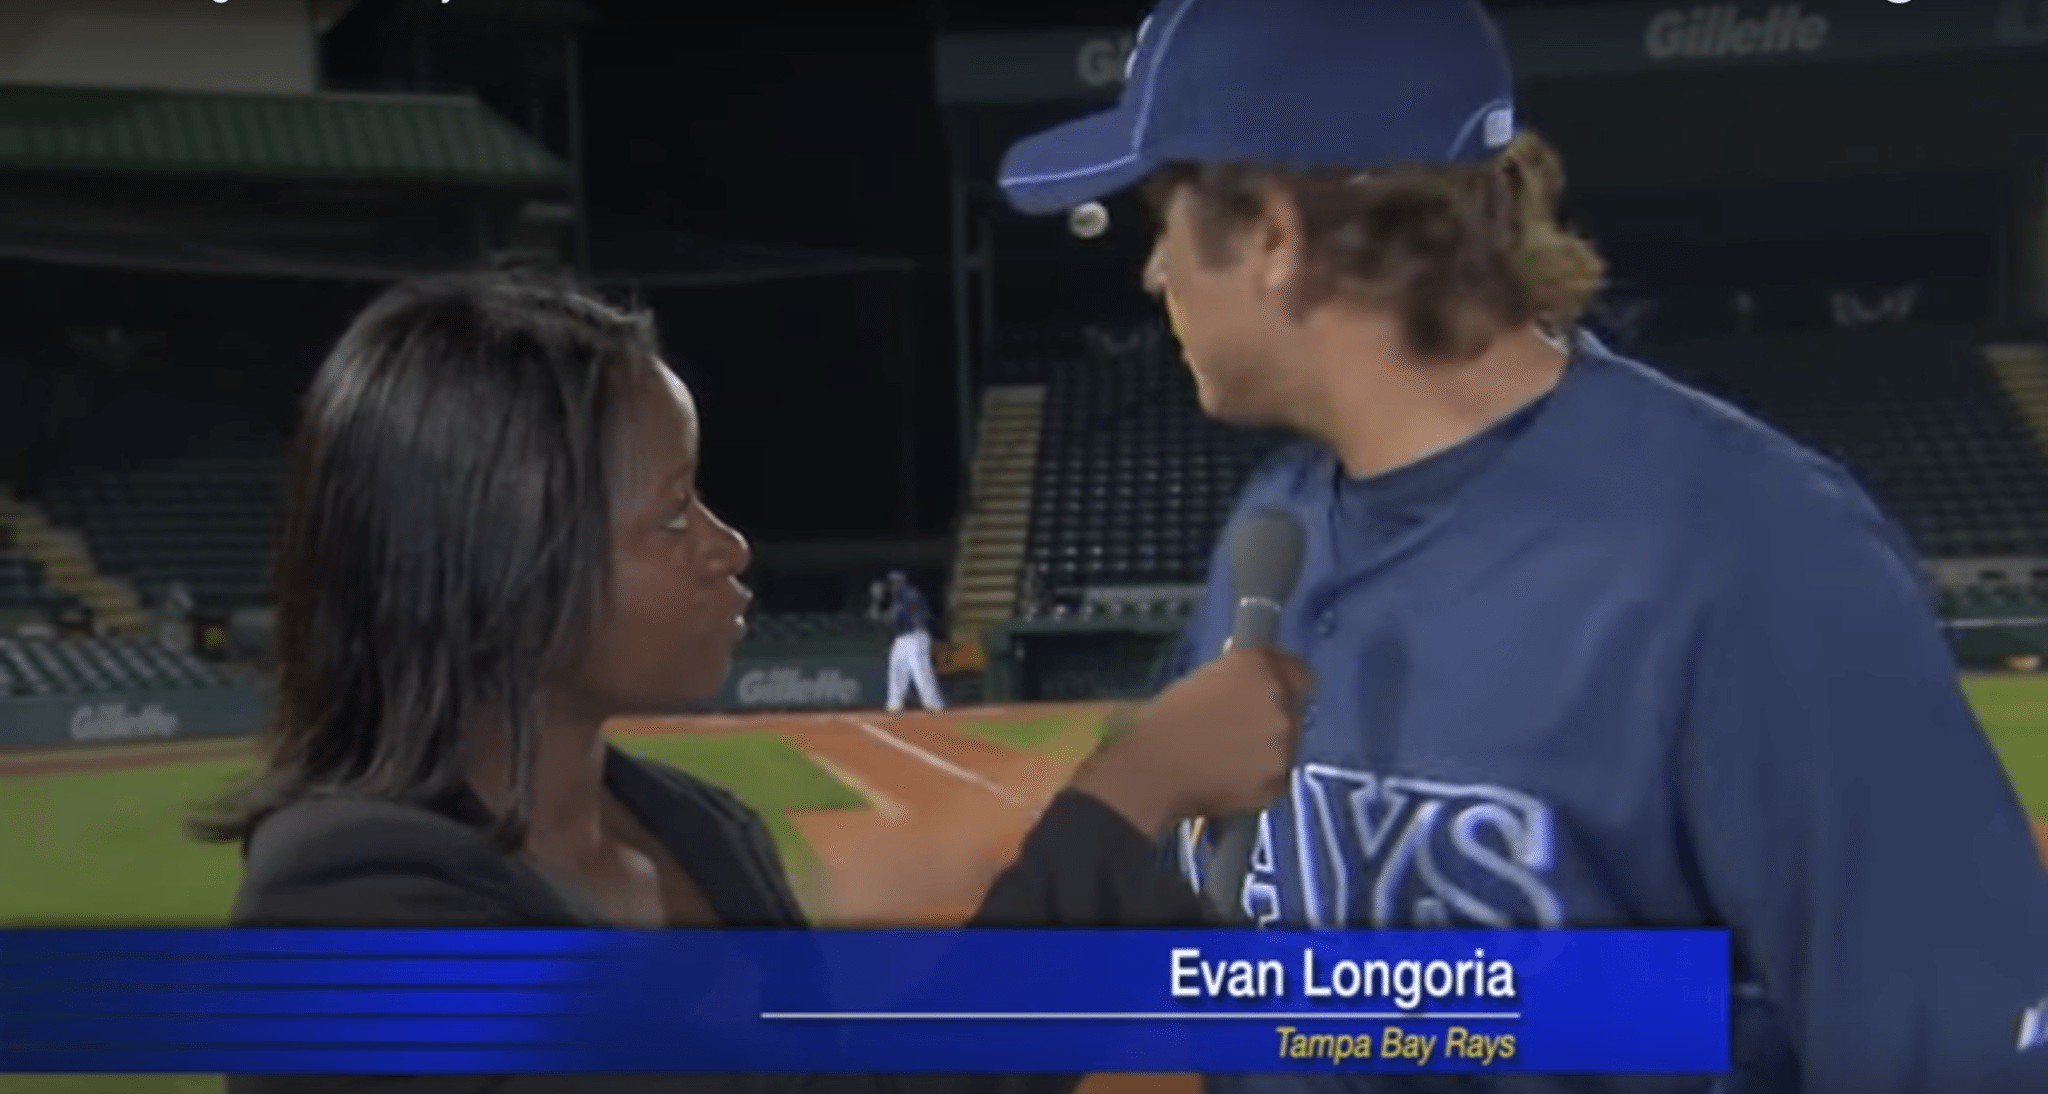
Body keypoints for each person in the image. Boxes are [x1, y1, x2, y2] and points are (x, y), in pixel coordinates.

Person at [996, 1, 2048, 1092]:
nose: (1152, 273)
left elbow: (1956, 1047)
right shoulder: (1275, 535)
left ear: (1271, 234)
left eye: (1163, 217)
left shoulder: (1747, 551)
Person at [194, 270, 1310, 1094]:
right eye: (671, 512)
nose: (727, 545)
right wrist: (1115, 811)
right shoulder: (351, 910)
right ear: (504, 559)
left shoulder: (699, 827)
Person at [873, 569, 944, 712]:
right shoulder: (897, 599)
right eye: (892, 584)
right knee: (896, 670)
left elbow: (895, 618)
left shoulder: (911, 594)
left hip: (916, 636)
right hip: (902, 639)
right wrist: (877, 602)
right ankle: (894, 705)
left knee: (920, 671)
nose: (893, 586)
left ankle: (934, 704)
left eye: (895, 583)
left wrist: (880, 604)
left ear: (902, 582)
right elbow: (885, 619)